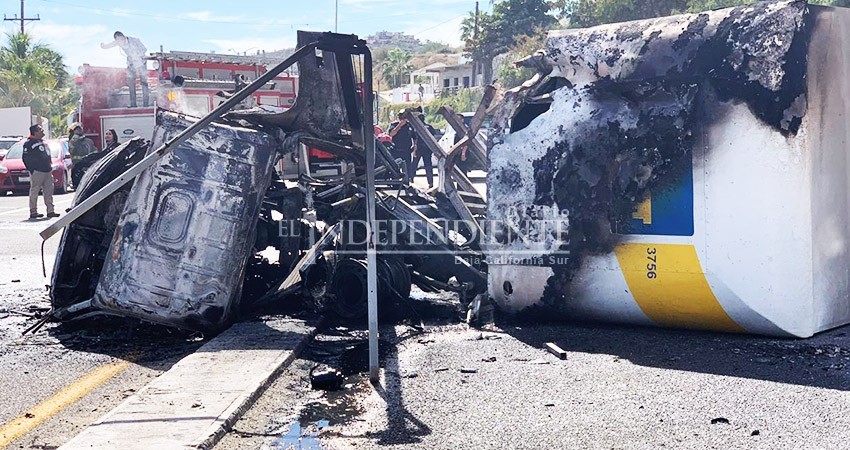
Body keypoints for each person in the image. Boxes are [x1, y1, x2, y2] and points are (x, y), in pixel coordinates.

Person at [101, 31, 149, 107]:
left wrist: (137, 56)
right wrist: (104, 46)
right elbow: (111, 45)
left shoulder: (134, 40)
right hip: (131, 64)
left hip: (141, 62)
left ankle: (146, 104)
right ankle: (133, 104)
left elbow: (144, 49)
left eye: (120, 40)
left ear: (123, 37)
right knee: (131, 83)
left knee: (144, 83)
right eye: (117, 41)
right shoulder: (118, 42)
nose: (119, 42)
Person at [22, 124, 58, 219]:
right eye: (40, 130)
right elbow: (25, 158)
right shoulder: (28, 143)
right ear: (35, 132)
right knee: (35, 191)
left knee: (49, 191)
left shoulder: (42, 142)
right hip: (37, 171)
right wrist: (32, 170)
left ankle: (50, 211)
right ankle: (33, 211)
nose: (42, 131)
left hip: (47, 170)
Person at [388, 110, 416, 183]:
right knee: (395, 168)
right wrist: (399, 126)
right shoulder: (394, 124)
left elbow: (415, 137)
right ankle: (395, 182)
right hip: (396, 150)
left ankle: (408, 181)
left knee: (407, 168)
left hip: (406, 150)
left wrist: (415, 146)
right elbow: (391, 134)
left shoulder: (409, 126)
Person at [410, 114, 437, 188]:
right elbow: (433, 138)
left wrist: (414, 149)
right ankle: (430, 182)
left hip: (419, 148)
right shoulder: (429, 127)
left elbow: (415, 139)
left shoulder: (416, 128)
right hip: (428, 149)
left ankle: (411, 179)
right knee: (428, 165)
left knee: (414, 165)